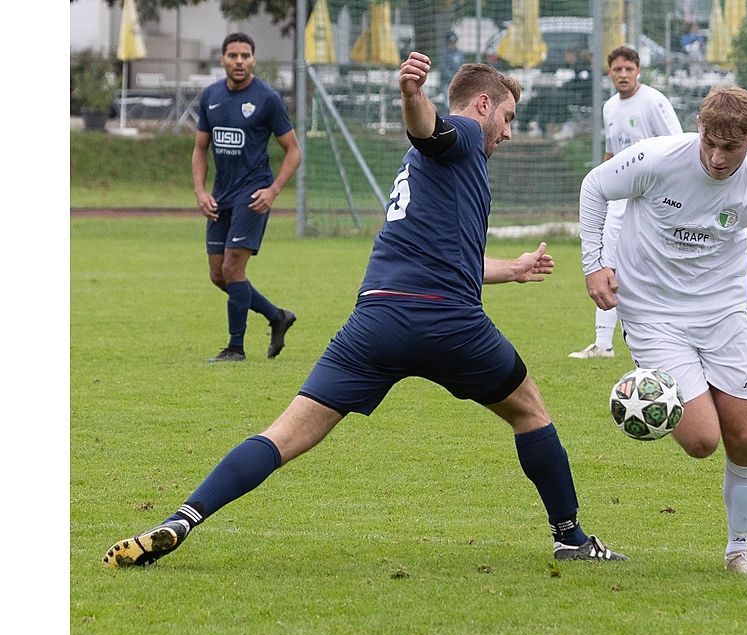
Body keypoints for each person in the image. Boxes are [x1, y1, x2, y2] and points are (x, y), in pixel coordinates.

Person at [103, 52, 626, 569]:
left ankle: (183, 518)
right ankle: (571, 538)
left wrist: (509, 269)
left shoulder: (425, 171)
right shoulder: (463, 135)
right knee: (529, 410)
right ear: (483, 105)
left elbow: (442, 249)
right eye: (508, 118)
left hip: (375, 320)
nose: (508, 133)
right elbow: (429, 128)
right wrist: (411, 96)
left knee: (284, 434)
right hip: (449, 322)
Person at [578, 85, 747, 576]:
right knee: (702, 440)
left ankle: (739, 550)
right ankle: (640, 391)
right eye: (709, 142)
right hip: (653, 314)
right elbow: (595, 187)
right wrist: (595, 264)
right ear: (699, 130)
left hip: (724, 313)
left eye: (731, 147)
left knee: (744, 433)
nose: (717, 158)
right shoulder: (658, 158)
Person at [193, 33, 302, 363]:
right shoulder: (210, 96)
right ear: (222, 60)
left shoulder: (266, 98)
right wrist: (200, 192)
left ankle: (235, 348)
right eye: (233, 55)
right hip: (221, 196)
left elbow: (293, 151)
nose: (239, 61)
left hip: (253, 194)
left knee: (232, 267)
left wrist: (273, 191)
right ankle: (277, 316)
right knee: (218, 275)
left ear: (253, 60)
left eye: (245, 56)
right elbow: (199, 148)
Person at [568, 46, 682, 359]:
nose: (623, 75)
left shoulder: (654, 101)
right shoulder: (608, 107)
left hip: (653, 201)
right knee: (607, 263)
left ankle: (669, 333)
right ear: (609, 72)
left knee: (656, 265)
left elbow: (678, 147)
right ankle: (603, 343)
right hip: (620, 200)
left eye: (628, 70)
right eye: (617, 70)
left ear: (638, 71)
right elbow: (611, 154)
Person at [438, 31, 464, 113]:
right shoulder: (443, 53)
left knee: (458, 102)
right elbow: (443, 68)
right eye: (450, 42)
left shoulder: (459, 53)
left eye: (454, 42)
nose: (452, 44)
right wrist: (452, 77)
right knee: (447, 103)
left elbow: (462, 66)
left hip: (458, 82)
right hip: (447, 81)